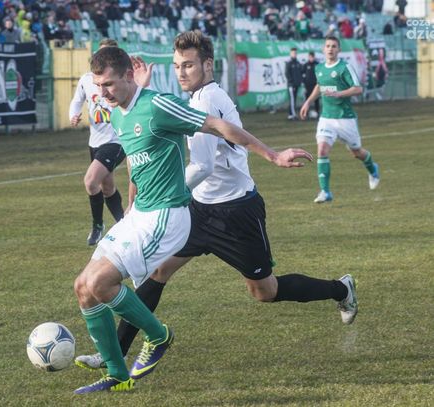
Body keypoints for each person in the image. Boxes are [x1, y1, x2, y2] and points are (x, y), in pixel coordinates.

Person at [74, 31, 357, 377]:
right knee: (158, 272)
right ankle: (116, 353)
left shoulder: (205, 101)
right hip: (198, 209)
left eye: (189, 65)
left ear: (208, 65)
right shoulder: (195, 97)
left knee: (265, 291)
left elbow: (202, 166)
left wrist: (165, 193)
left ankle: (340, 288)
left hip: (234, 211)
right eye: (177, 65)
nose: (181, 72)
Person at [300, 36, 380, 203]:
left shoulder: (344, 67)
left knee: (356, 152)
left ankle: (372, 168)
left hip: (345, 118)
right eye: (328, 46)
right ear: (323, 49)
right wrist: (308, 102)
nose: (330, 49)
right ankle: (325, 192)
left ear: (339, 50)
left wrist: (339, 93)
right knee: (322, 150)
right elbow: (320, 85)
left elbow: (358, 89)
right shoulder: (319, 68)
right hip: (326, 118)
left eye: (334, 46)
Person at [69, 38, 126, 246]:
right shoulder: (87, 80)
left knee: (90, 181)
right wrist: (73, 115)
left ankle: (98, 226)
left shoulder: (122, 80)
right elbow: (77, 101)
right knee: (107, 187)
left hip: (116, 140)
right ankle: (124, 224)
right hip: (95, 141)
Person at [285, 47, 303, 120]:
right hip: (291, 85)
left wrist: (299, 82)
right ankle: (293, 115)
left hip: (296, 85)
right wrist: (292, 83)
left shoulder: (298, 63)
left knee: (294, 100)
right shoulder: (289, 63)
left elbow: (300, 73)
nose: (294, 54)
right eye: (293, 53)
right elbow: (287, 74)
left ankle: (291, 114)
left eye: (295, 53)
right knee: (292, 100)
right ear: (290, 54)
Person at [302, 51, 320, 118]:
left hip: (316, 85)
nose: (311, 58)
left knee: (316, 99)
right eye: (310, 57)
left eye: (312, 57)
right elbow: (302, 74)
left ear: (314, 57)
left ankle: (317, 112)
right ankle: (305, 113)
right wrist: (304, 82)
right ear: (308, 57)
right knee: (307, 100)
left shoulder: (317, 64)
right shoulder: (306, 65)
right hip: (308, 86)